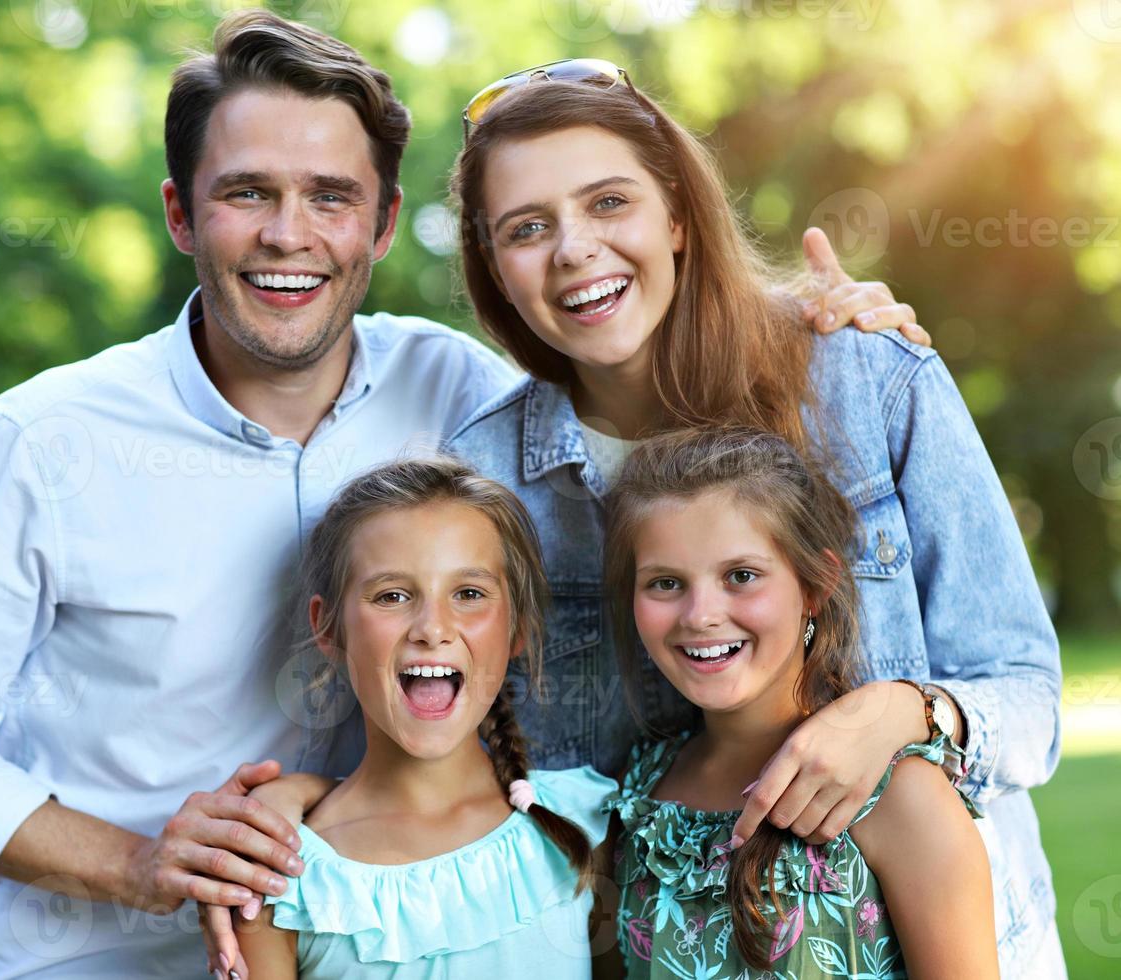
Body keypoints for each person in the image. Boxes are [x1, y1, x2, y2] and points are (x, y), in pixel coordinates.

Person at [0, 15, 923, 977]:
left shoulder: (461, 391)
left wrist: (802, 311)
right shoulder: (41, 444)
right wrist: (138, 860)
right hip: (114, 956)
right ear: (179, 212)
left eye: (331, 197)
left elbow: (626, 377)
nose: (288, 234)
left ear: (385, 223)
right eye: (246, 193)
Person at [445, 62, 1063, 977]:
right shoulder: (490, 483)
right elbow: (470, 764)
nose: (573, 248)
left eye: (609, 202)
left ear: (679, 217)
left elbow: (1032, 701)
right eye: (527, 229)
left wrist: (902, 712)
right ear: (496, 268)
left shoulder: (865, 377)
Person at [600, 425, 997, 978]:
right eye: (665, 583)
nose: (700, 615)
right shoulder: (639, 792)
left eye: (741, 576)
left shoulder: (901, 797)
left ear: (814, 587)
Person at [235, 455, 618, 978]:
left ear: (517, 628)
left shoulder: (584, 825)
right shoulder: (279, 874)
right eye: (391, 596)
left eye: (468, 594)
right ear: (328, 628)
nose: (431, 627)